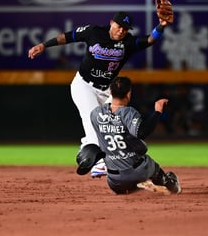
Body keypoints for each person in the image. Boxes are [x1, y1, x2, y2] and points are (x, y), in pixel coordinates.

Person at [28, 11, 170, 177]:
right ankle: (99, 162)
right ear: (111, 23)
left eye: (125, 28)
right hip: (84, 86)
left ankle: (87, 150)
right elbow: (68, 36)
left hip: (108, 90)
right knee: (94, 120)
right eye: (119, 26)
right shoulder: (94, 32)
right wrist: (44, 45)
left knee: (117, 127)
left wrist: (162, 25)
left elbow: (149, 40)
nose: (122, 31)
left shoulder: (128, 42)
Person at [89, 76, 181, 194]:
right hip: (138, 171)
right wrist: (157, 112)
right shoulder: (128, 113)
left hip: (114, 181)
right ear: (128, 94)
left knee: (124, 182)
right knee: (153, 167)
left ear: (110, 92)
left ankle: (133, 188)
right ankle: (171, 186)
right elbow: (142, 133)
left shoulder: (95, 113)